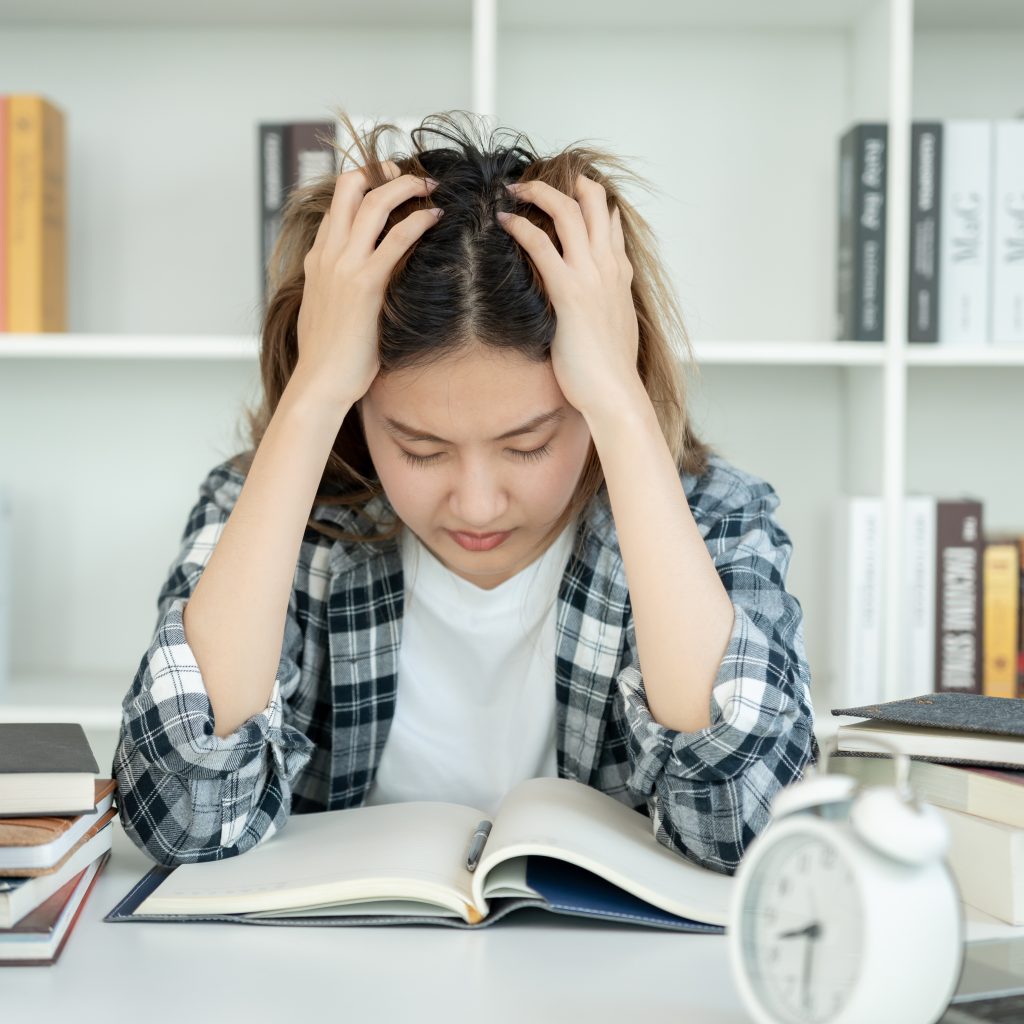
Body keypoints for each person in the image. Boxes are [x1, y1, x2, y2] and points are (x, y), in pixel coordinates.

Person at [112, 110, 818, 876]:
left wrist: (622, 401)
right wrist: (312, 394)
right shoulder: (276, 515)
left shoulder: (716, 518)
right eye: (420, 448)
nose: (477, 505)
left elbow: (746, 823)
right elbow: (181, 811)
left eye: (529, 444)